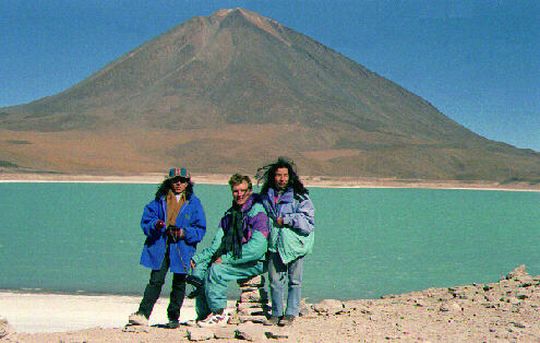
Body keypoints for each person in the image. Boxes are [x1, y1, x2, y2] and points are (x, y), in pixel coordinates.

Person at [129, 167, 206, 329]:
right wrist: (157, 225)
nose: (178, 184)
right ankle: (143, 314)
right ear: (169, 182)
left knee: (179, 283)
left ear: (187, 183)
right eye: (175, 181)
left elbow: (200, 229)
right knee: (156, 280)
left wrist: (183, 232)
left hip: (181, 248)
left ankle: (173, 318)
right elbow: (146, 221)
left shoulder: (194, 203)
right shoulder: (159, 201)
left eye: (182, 181)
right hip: (161, 246)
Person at [190, 173, 269, 327]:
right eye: (235, 191)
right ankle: (204, 315)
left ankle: (219, 313)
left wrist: (226, 258)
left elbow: (257, 249)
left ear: (250, 191)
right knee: (200, 269)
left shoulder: (258, 213)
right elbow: (216, 246)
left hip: (256, 260)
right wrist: (198, 259)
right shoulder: (229, 215)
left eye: (243, 190)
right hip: (236, 257)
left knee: (217, 270)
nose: (239, 194)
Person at [256, 157, 315, 327]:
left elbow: (308, 222)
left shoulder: (299, 197)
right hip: (274, 244)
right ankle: (276, 312)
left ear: (290, 177)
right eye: (278, 175)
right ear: (272, 177)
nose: (282, 178)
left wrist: (287, 219)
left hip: (294, 245)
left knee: (294, 280)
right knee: (275, 281)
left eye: (285, 175)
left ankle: (291, 312)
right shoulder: (267, 197)